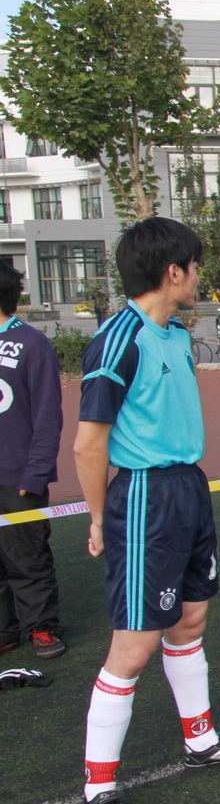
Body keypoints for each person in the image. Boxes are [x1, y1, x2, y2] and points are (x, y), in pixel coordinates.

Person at [76, 217, 220, 804]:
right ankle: (99, 789)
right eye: (193, 266)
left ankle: (201, 740)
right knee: (133, 646)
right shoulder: (117, 340)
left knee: (189, 621)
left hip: (188, 487)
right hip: (144, 497)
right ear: (172, 271)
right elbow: (89, 444)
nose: (197, 276)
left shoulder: (176, 336)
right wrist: (98, 519)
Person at [0, 258, 65, 658]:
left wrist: (36, 471)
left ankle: (42, 626)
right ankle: (4, 630)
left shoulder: (32, 343)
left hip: (17, 474)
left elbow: (47, 414)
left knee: (27, 555)